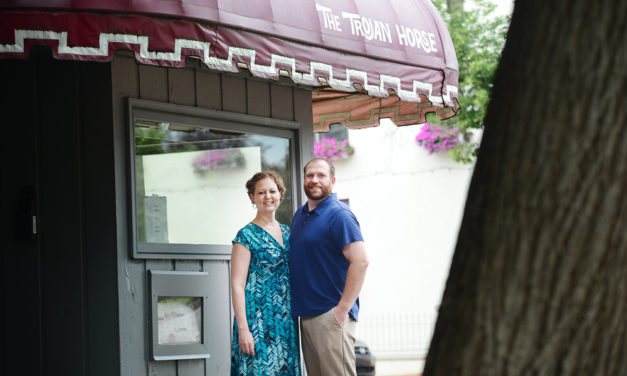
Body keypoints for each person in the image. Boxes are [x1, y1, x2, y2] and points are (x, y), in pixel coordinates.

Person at [289, 158, 369, 376]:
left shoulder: (339, 215)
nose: (314, 180)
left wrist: (342, 309)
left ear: (332, 181)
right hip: (306, 315)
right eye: (310, 175)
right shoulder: (300, 215)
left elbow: (360, 262)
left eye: (321, 175)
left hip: (330, 314)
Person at [230, 171, 301, 376]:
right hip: (257, 323)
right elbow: (237, 285)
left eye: (272, 191)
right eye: (261, 192)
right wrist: (243, 329)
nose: (267, 196)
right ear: (252, 197)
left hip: (285, 322)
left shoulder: (289, 232)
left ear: (280, 194)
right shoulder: (246, 236)